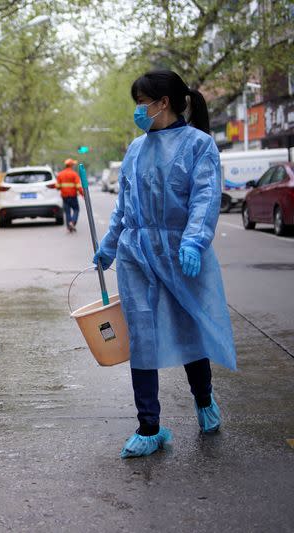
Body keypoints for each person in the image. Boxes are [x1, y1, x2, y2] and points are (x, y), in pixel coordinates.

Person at [92, 70, 236, 458]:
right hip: (135, 253)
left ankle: (204, 401)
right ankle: (149, 426)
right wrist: (108, 246)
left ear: (163, 103)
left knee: (189, 326)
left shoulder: (199, 145)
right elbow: (123, 205)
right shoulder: (136, 150)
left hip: (179, 252)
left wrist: (193, 241)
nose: (138, 110)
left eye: (142, 102)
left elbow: (205, 197)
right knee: (141, 335)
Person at [56, 158, 84, 232]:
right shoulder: (74, 174)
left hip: (64, 196)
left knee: (67, 211)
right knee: (76, 209)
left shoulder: (60, 174)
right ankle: (73, 222)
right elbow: (78, 186)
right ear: (71, 165)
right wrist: (83, 195)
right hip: (73, 196)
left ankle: (69, 225)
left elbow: (57, 187)